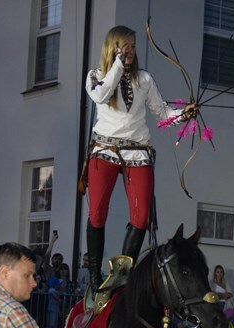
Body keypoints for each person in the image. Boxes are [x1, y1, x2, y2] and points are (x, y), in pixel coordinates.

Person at [84, 25, 197, 292]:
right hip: (104, 150)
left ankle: (123, 274)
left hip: (137, 151)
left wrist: (183, 114)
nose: (130, 51)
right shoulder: (96, 76)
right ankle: (93, 275)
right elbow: (100, 95)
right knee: (97, 213)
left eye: (133, 47)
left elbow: (161, 112)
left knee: (141, 215)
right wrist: (118, 66)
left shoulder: (144, 79)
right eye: (125, 46)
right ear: (112, 48)